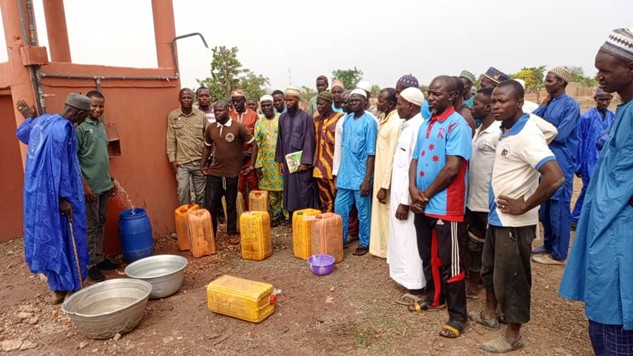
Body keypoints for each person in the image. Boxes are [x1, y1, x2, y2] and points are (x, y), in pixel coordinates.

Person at [470, 80, 564, 353]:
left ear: (520, 103)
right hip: (497, 217)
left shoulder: (526, 136)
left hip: (515, 222)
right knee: (490, 270)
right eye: (494, 101)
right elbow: (551, 129)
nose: (495, 106)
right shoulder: (508, 129)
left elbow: (555, 178)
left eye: (503, 101)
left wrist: (525, 204)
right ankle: (489, 314)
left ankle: (513, 335)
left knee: (513, 278)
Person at [560, 28, 633, 355]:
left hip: (621, 239)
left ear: (630, 70)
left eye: (605, 70)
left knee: (617, 324)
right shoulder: (624, 111)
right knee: (601, 322)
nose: (598, 76)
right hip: (606, 232)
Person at [408, 75, 472, 338]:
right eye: (429, 93)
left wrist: (426, 194)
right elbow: (414, 160)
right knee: (428, 254)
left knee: (451, 262)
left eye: (436, 94)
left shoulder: (458, 125)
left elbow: (453, 167)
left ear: (453, 96)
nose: (430, 98)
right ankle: (434, 298)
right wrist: (413, 190)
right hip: (423, 203)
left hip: (447, 205)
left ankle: (458, 317)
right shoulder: (427, 124)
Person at [16, 93, 92, 304]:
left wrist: (30, 117)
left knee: (49, 238)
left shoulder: (43, 121)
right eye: (86, 115)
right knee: (68, 237)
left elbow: (23, 134)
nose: (85, 119)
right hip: (59, 195)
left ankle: (57, 288)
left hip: (37, 195)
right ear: (78, 113)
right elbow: (58, 168)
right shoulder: (65, 129)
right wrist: (63, 198)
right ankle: (73, 288)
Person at [532, 67, 580, 265]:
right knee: (545, 207)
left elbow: (561, 134)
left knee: (558, 206)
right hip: (546, 159)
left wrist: (537, 137)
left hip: (561, 159)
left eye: (550, 80)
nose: (546, 83)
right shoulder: (549, 102)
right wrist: (544, 105)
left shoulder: (571, 105)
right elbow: (531, 120)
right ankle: (548, 244)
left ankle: (559, 254)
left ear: (561, 82)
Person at [201, 100, 258, 245]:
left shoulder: (238, 127)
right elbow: (207, 147)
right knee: (211, 204)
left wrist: (251, 165)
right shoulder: (211, 128)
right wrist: (202, 165)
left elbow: (254, 144)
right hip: (215, 172)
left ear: (228, 110)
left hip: (232, 173)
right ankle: (211, 234)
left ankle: (232, 232)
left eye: (220, 110)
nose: (217, 113)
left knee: (231, 204)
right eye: (215, 111)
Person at [75, 91, 118, 283]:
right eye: (93, 106)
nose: (97, 109)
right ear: (86, 106)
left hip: (104, 184)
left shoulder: (100, 124)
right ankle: (90, 265)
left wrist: (110, 179)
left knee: (101, 221)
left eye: (101, 106)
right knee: (91, 227)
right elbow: (73, 160)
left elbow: (101, 156)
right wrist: (84, 185)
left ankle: (99, 259)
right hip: (90, 188)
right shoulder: (80, 128)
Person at [388, 87, 426, 303]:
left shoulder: (417, 129)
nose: (397, 106)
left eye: (400, 103)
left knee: (409, 241)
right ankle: (405, 277)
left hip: (407, 197)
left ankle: (416, 285)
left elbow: (412, 169)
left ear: (411, 105)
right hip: (400, 194)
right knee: (401, 239)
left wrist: (405, 201)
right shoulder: (408, 126)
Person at [334, 89, 378, 256]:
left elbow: (371, 153)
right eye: (351, 100)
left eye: (357, 100)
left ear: (364, 102)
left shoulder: (369, 122)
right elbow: (342, 148)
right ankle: (341, 239)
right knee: (340, 209)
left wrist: (367, 179)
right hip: (345, 175)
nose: (353, 103)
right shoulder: (346, 120)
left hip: (361, 176)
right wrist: (338, 173)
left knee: (363, 212)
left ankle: (365, 242)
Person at [465, 87, 496, 299]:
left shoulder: (499, 132)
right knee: (474, 244)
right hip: (474, 199)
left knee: (491, 248)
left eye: (476, 104)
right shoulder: (479, 131)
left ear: (488, 106)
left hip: (488, 202)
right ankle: (474, 284)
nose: (472, 107)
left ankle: (492, 288)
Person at [570, 88, 615, 227]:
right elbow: (580, 141)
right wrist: (578, 164)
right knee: (589, 188)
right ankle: (576, 218)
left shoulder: (612, 117)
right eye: (601, 99)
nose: (604, 102)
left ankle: (592, 218)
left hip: (605, 160)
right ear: (595, 99)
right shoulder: (586, 118)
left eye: (607, 99)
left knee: (601, 189)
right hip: (589, 160)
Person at [275, 87, 319, 215]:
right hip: (288, 162)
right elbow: (280, 139)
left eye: (291, 100)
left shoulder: (306, 117)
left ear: (297, 100)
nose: (288, 103)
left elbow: (309, 140)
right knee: (290, 191)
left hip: (301, 163)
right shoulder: (282, 117)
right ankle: (294, 218)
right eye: (286, 100)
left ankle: (305, 216)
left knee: (303, 190)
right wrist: (281, 161)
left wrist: (305, 161)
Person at [369, 88, 402, 258]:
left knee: (387, 213)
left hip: (386, 177)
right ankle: (382, 249)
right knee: (381, 215)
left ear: (391, 103)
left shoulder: (395, 123)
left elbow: (391, 158)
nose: (377, 103)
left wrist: (384, 185)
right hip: (380, 173)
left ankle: (389, 251)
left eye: (381, 101)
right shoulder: (386, 119)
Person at [166, 88, 208, 206]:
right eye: (183, 98)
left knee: (201, 194)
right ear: (179, 100)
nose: (186, 100)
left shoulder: (201, 116)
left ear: (193, 99)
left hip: (199, 162)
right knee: (183, 191)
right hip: (182, 163)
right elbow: (170, 139)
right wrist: (172, 159)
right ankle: (185, 219)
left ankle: (199, 218)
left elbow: (208, 139)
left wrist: (207, 161)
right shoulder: (173, 116)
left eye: (189, 97)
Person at [254, 95, 285, 226]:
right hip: (266, 162)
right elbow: (257, 144)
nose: (266, 108)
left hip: (281, 162)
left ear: (273, 105)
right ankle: (276, 215)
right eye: (264, 105)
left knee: (284, 189)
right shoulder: (259, 123)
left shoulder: (282, 119)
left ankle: (287, 216)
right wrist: (258, 164)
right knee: (271, 192)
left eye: (269, 105)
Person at [313, 90, 344, 212]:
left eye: (322, 104)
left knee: (338, 196)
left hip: (334, 167)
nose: (319, 107)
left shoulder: (340, 119)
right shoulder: (315, 120)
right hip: (319, 167)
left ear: (330, 103)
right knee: (324, 197)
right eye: (317, 104)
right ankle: (328, 220)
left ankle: (339, 222)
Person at [230, 88, 260, 210]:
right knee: (238, 188)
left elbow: (257, 137)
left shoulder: (254, 115)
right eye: (233, 101)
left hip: (250, 157)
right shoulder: (229, 115)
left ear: (244, 101)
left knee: (254, 186)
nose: (236, 104)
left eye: (238, 101)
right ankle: (241, 215)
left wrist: (249, 153)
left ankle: (256, 213)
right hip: (235, 158)